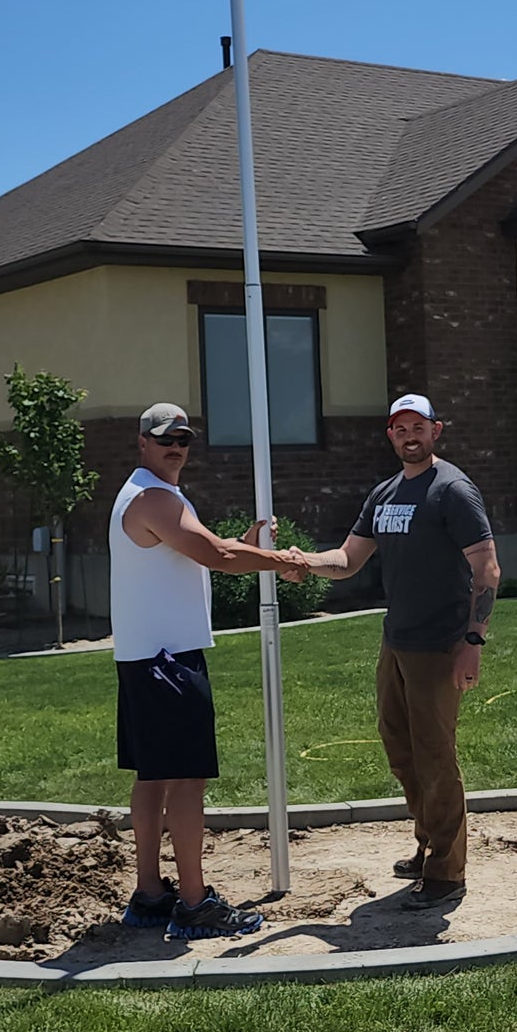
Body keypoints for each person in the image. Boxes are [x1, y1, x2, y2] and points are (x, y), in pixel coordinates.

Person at [110, 401, 309, 942]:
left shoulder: (150, 495)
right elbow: (218, 556)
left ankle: (151, 894)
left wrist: (242, 548)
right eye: (165, 438)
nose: (176, 447)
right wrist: (286, 562)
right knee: (186, 779)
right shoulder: (153, 498)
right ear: (142, 443)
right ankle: (194, 904)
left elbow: (200, 558)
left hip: (144, 657)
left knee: (152, 777)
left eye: (184, 439)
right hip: (168, 661)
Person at [304, 395, 500, 909]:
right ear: (389, 435)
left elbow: (487, 569)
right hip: (398, 641)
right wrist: (302, 561)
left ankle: (446, 872)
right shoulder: (386, 493)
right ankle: (429, 841)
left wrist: (472, 641)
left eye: (418, 426)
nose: (409, 435)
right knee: (401, 749)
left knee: (436, 756)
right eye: (399, 427)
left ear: (436, 430)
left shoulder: (452, 490)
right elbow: (347, 560)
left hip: (440, 645)